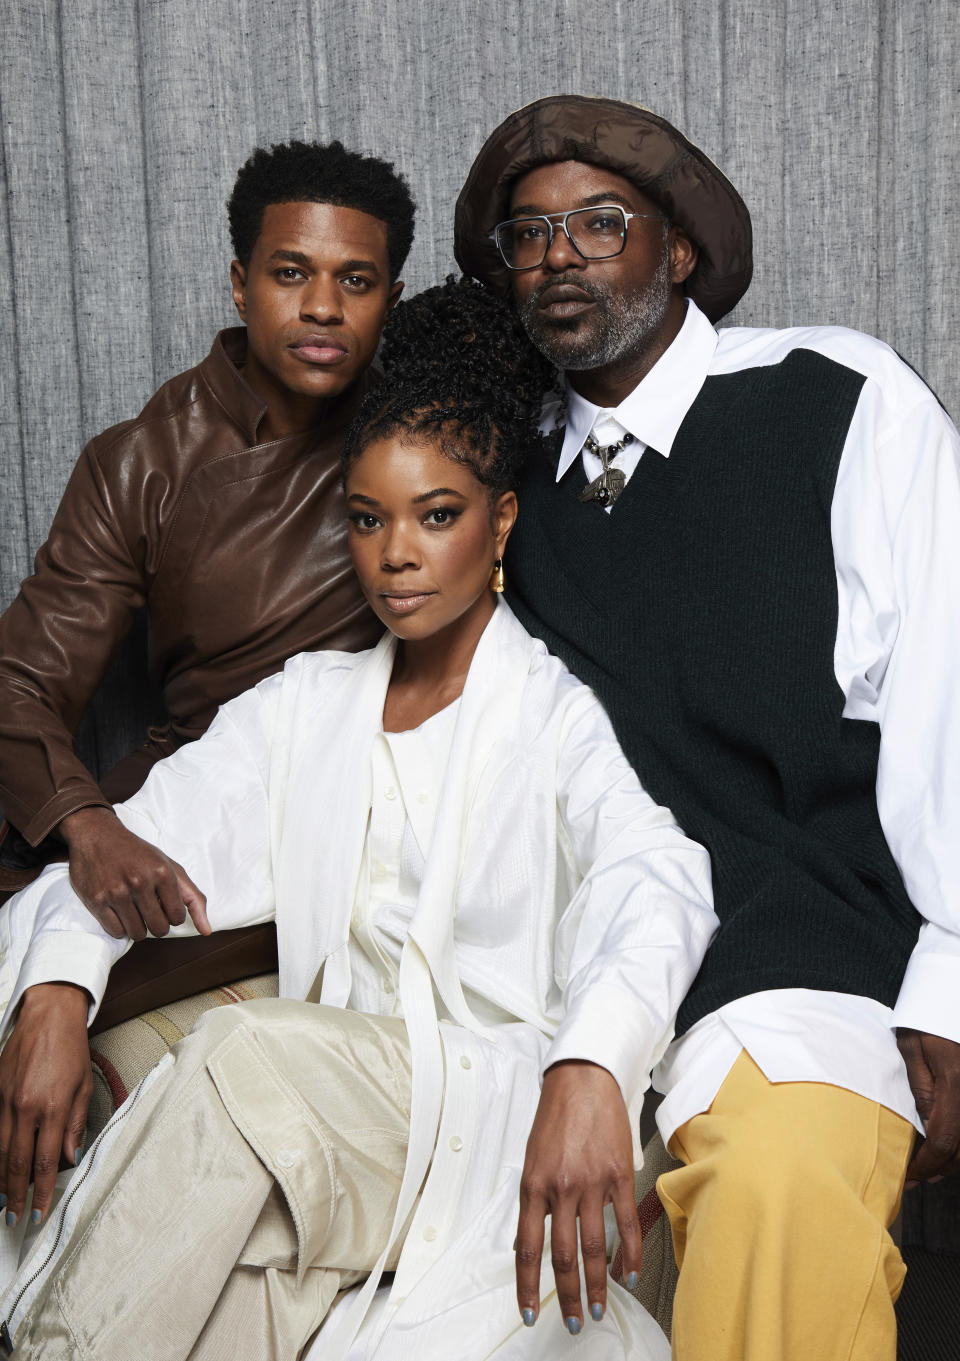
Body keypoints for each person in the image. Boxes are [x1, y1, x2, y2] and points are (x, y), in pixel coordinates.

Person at [0, 278, 716, 1360]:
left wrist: (595, 1063)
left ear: (500, 517)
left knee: (244, 1058)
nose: (396, 554)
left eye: (437, 516)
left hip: (486, 1100)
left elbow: (658, 875)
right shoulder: (306, 706)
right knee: (232, 1294)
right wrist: (56, 984)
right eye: (368, 519)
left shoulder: (552, 714)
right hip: (336, 1126)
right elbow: (145, 845)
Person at [453, 94, 960, 1361]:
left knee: (781, 1187)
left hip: (807, 958)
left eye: (599, 222)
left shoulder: (835, 397)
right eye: (528, 234)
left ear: (679, 251)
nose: (558, 254)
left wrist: (951, 983)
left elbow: (948, 690)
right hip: (582, 979)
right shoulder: (498, 493)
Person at [0, 138, 413, 958]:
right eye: (290, 273)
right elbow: (17, 684)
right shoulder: (141, 463)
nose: (323, 307)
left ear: (391, 300)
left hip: (378, 817)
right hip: (189, 808)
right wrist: (90, 829)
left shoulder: (426, 438)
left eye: (355, 281)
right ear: (239, 285)